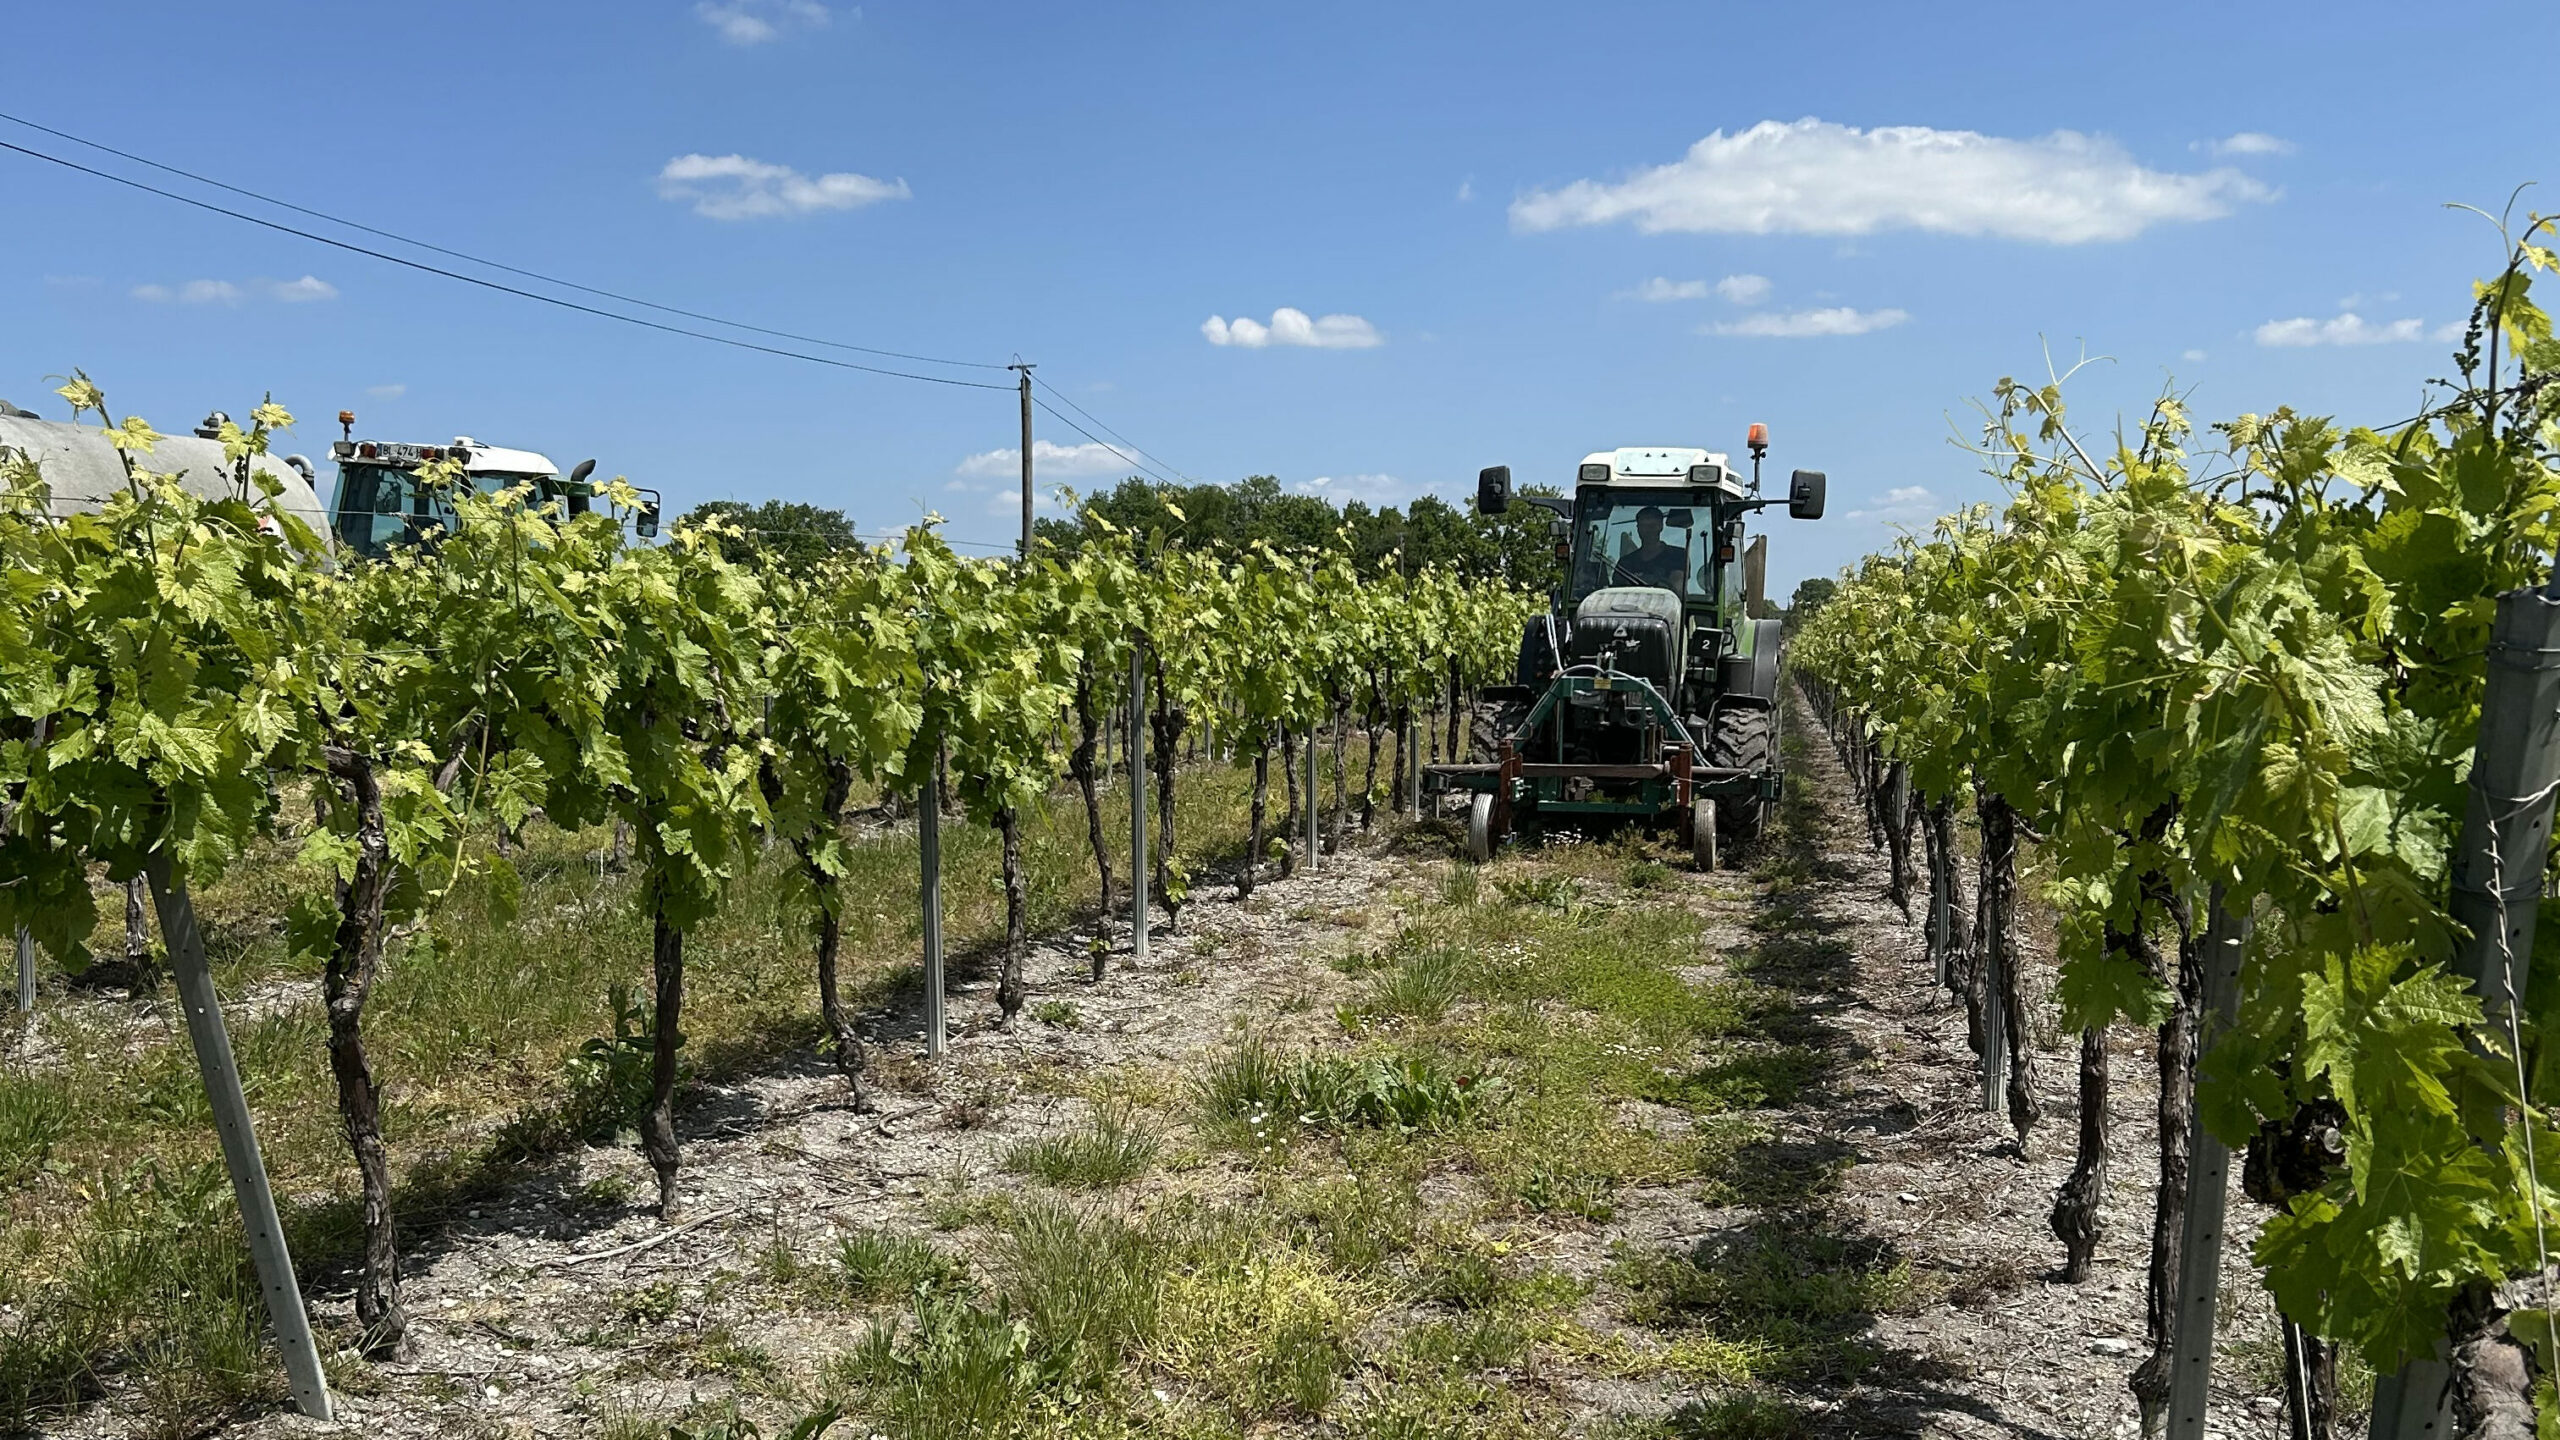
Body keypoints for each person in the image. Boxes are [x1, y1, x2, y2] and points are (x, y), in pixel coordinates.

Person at [1614, 506, 1690, 592]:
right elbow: (1615, 592)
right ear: (1638, 528)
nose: (1648, 531)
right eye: (1644, 526)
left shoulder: (1677, 556)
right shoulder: (1625, 563)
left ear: (1661, 526)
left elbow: (1676, 589)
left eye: (1652, 526)